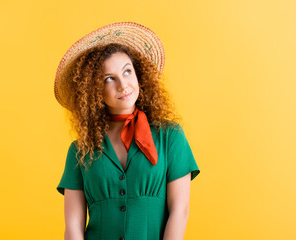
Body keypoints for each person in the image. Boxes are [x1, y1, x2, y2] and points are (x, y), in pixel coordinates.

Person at [54, 22, 201, 240]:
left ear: (138, 74)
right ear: (93, 90)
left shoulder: (170, 137)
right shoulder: (79, 151)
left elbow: (180, 211)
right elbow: (73, 226)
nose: (123, 85)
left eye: (127, 71)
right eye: (109, 79)